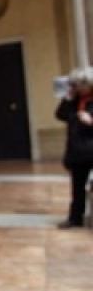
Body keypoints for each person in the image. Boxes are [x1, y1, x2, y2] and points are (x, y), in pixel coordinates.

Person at [55, 66, 93, 229]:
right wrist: (67, 99)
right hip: (77, 151)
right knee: (77, 188)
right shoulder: (74, 100)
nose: (75, 88)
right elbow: (60, 115)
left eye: (78, 85)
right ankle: (75, 218)